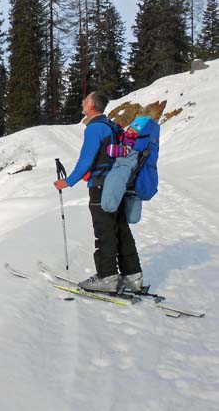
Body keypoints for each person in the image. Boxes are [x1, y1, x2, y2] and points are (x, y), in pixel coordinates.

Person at [53, 92, 143, 293]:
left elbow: (86, 160)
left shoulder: (95, 128)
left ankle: (107, 277)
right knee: (120, 229)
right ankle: (132, 276)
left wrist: (67, 182)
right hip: (117, 185)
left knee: (105, 232)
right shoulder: (112, 126)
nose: (82, 103)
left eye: (85, 100)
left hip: (101, 186)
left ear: (92, 104)